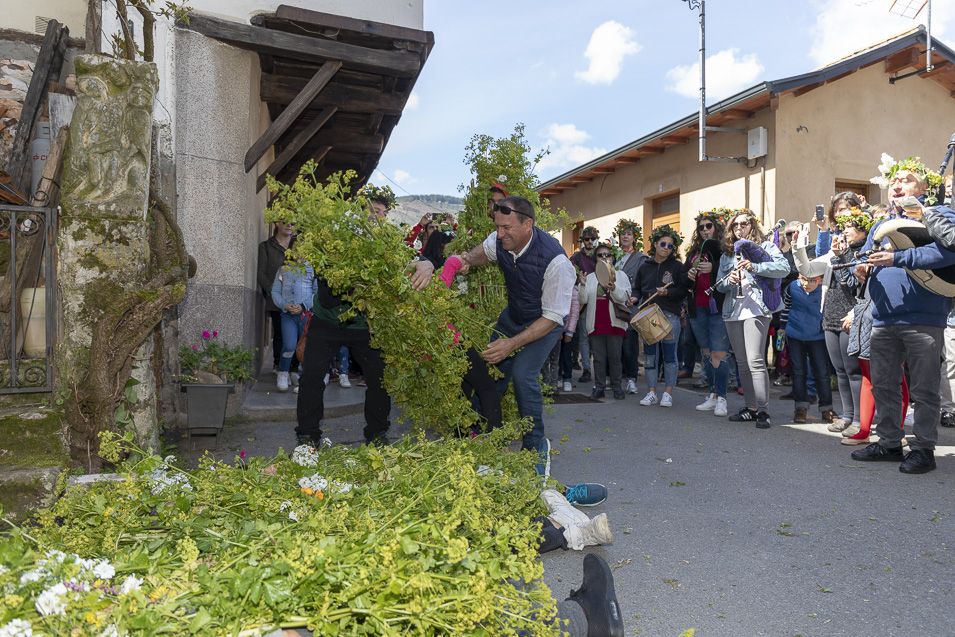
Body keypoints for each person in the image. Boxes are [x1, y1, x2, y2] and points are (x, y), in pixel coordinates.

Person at [295, 186, 435, 446]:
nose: (377, 215)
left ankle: (378, 434)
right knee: (312, 376)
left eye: (382, 212)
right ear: (359, 212)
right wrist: (356, 283)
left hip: (365, 325)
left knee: (380, 377)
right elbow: (327, 293)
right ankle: (307, 436)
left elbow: (415, 256)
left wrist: (426, 263)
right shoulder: (338, 238)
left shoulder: (387, 243)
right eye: (372, 209)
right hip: (327, 320)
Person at [450, 196, 575, 476]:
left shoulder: (556, 262)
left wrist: (511, 344)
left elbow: (553, 316)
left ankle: (535, 445)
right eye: (498, 226)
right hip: (514, 317)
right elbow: (481, 253)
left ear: (528, 224)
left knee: (522, 374)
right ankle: (483, 434)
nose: (500, 233)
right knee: (485, 370)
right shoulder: (500, 240)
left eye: (507, 227)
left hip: (544, 324)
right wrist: (464, 260)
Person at [850, 156, 955, 473]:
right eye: (893, 180)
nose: (897, 184)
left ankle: (923, 449)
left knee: (924, 389)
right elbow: (870, 255)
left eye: (906, 179)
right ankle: (890, 443)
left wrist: (898, 258)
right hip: (883, 318)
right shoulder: (881, 224)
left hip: (923, 317)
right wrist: (862, 266)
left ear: (924, 187)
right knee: (884, 385)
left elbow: (946, 251)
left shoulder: (936, 215)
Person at [716, 209, 790, 427]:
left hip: (757, 308)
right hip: (733, 311)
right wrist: (730, 280)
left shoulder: (765, 247)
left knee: (755, 360)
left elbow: (784, 268)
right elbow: (719, 285)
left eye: (744, 224)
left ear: (752, 225)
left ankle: (763, 411)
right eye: (735, 225)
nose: (740, 228)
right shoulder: (727, 255)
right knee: (741, 362)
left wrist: (754, 266)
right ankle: (751, 408)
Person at [634, 225, 688, 408]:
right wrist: (634, 298)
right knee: (650, 357)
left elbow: (683, 290)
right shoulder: (644, 267)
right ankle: (651, 392)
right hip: (649, 316)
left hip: (670, 315)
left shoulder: (677, 267)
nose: (666, 247)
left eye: (670, 246)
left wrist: (668, 294)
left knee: (670, 357)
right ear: (655, 244)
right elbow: (637, 288)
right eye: (663, 244)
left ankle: (668, 393)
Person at [684, 211, 731, 417]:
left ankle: (722, 398)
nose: (705, 230)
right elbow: (683, 281)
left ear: (716, 228)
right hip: (697, 308)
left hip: (717, 308)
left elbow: (731, 273)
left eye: (708, 226)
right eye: (701, 227)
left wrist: (714, 268)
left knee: (719, 352)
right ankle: (712, 395)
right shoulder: (693, 251)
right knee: (706, 353)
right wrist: (689, 274)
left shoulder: (725, 249)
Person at [578, 244, 632, 400]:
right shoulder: (589, 277)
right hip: (596, 321)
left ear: (612, 257)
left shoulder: (621, 275)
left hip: (614, 321)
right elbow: (583, 300)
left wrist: (614, 288)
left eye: (607, 255)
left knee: (615, 358)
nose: (604, 257)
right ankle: (599, 387)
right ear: (596, 259)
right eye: (600, 255)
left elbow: (624, 298)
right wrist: (582, 285)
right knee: (599, 358)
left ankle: (617, 388)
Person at [779, 270, 833, 423]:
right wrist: (782, 328)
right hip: (795, 334)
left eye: (812, 280)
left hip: (818, 335)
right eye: (804, 279)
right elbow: (786, 307)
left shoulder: (825, 290)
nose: (807, 284)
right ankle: (800, 408)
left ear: (820, 279)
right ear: (798, 277)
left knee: (822, 373)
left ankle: (827, 409)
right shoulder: (791, 287)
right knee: (798, 372)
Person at [270, 260, 317, 392]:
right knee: (289, 345)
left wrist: (303, 306)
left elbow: (316, 292)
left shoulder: (313, 268)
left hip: (306, 316)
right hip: (288, 315)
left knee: (305, 347)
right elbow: (275, 291)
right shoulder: (283, 269)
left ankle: (304, 377)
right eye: (296, 247)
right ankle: (283, 373)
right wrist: (284, 305)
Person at [613, 219, 647, 394]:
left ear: (634, 238)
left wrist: (635, 298)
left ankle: (632, 378)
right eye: (622, 234)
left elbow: (642, 283)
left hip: (630, 304)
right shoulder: (614, 256)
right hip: (613, 304)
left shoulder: (641, 258)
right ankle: (616, 379)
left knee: (629, 345)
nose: (625, 236)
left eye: (628, 234)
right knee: (615, 344)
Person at [257, 220, 295, 374]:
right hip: (277, 299)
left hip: (297, 299)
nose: (289, 225)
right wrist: (274, 292)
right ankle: (278, 365)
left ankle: (292, 368)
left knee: (296, 333)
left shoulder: (300, 246)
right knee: (280, 332)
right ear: (277, 223)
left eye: (293, 222)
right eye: (285, 221)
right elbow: (261, 273)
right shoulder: (265, 246)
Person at [570, 226, 599, 384]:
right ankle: (586, 369)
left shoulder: (601, 255)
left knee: (597, 336)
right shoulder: (576, 257)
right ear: (582, 241)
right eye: (586, 239)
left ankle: (600, 369)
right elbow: (570, 275)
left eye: (592, 239)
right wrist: (578, 279)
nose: (589, 242)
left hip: (599, 299)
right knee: (583, 336)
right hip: (583, 300)